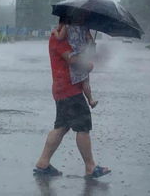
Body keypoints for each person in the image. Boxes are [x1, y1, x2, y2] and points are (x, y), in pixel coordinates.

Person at [34, 17, 110, 178]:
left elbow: (83, 52)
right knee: (82, 126)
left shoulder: (71, 39)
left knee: (61, 127)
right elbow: (72, 59)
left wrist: (90, 44)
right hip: (68, 90)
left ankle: (43, 164)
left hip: (66, 89)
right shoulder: (58, 40)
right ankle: (91, 167)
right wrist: (87, 64)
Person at [51, 20, 97, 108]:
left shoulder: (67, 25)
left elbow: (60, 37)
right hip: (82, 55)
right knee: (86, 81)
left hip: (75, 54)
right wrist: (92, 44)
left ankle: (90, 99)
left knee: (81, 78)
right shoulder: (85, 27)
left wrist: (55, 31)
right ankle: (90, 99)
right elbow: (90, 41)